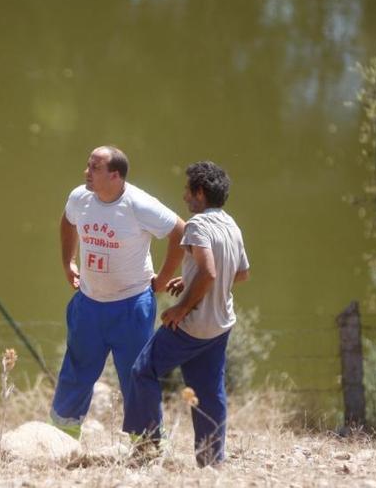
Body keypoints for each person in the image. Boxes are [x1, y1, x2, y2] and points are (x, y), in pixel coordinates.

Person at [51, 145, 186, 438]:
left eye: (94, 168)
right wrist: (67, 262)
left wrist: (163, 278)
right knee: (75, 372)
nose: (86, 173)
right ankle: (63, 438)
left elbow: (180, 231)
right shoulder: (80, 198)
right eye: (87, 166)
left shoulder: (138, 204)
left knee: (137, 376)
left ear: (115, 176)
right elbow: (67, 221)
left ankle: (146, 444)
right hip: (88, 303)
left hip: (131, 305)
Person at [123, 161, 250, 467]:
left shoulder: (197, 226)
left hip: (192, 325)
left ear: (200, 193)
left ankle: (148, 447)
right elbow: (242, 273)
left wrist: (182, 307)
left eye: (188, 191)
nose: (184, 197)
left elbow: (208, 272)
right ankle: (211, 459)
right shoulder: (231, 224)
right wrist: (191, 280)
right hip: (220, 324)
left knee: (142, 371)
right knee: (209, 391)